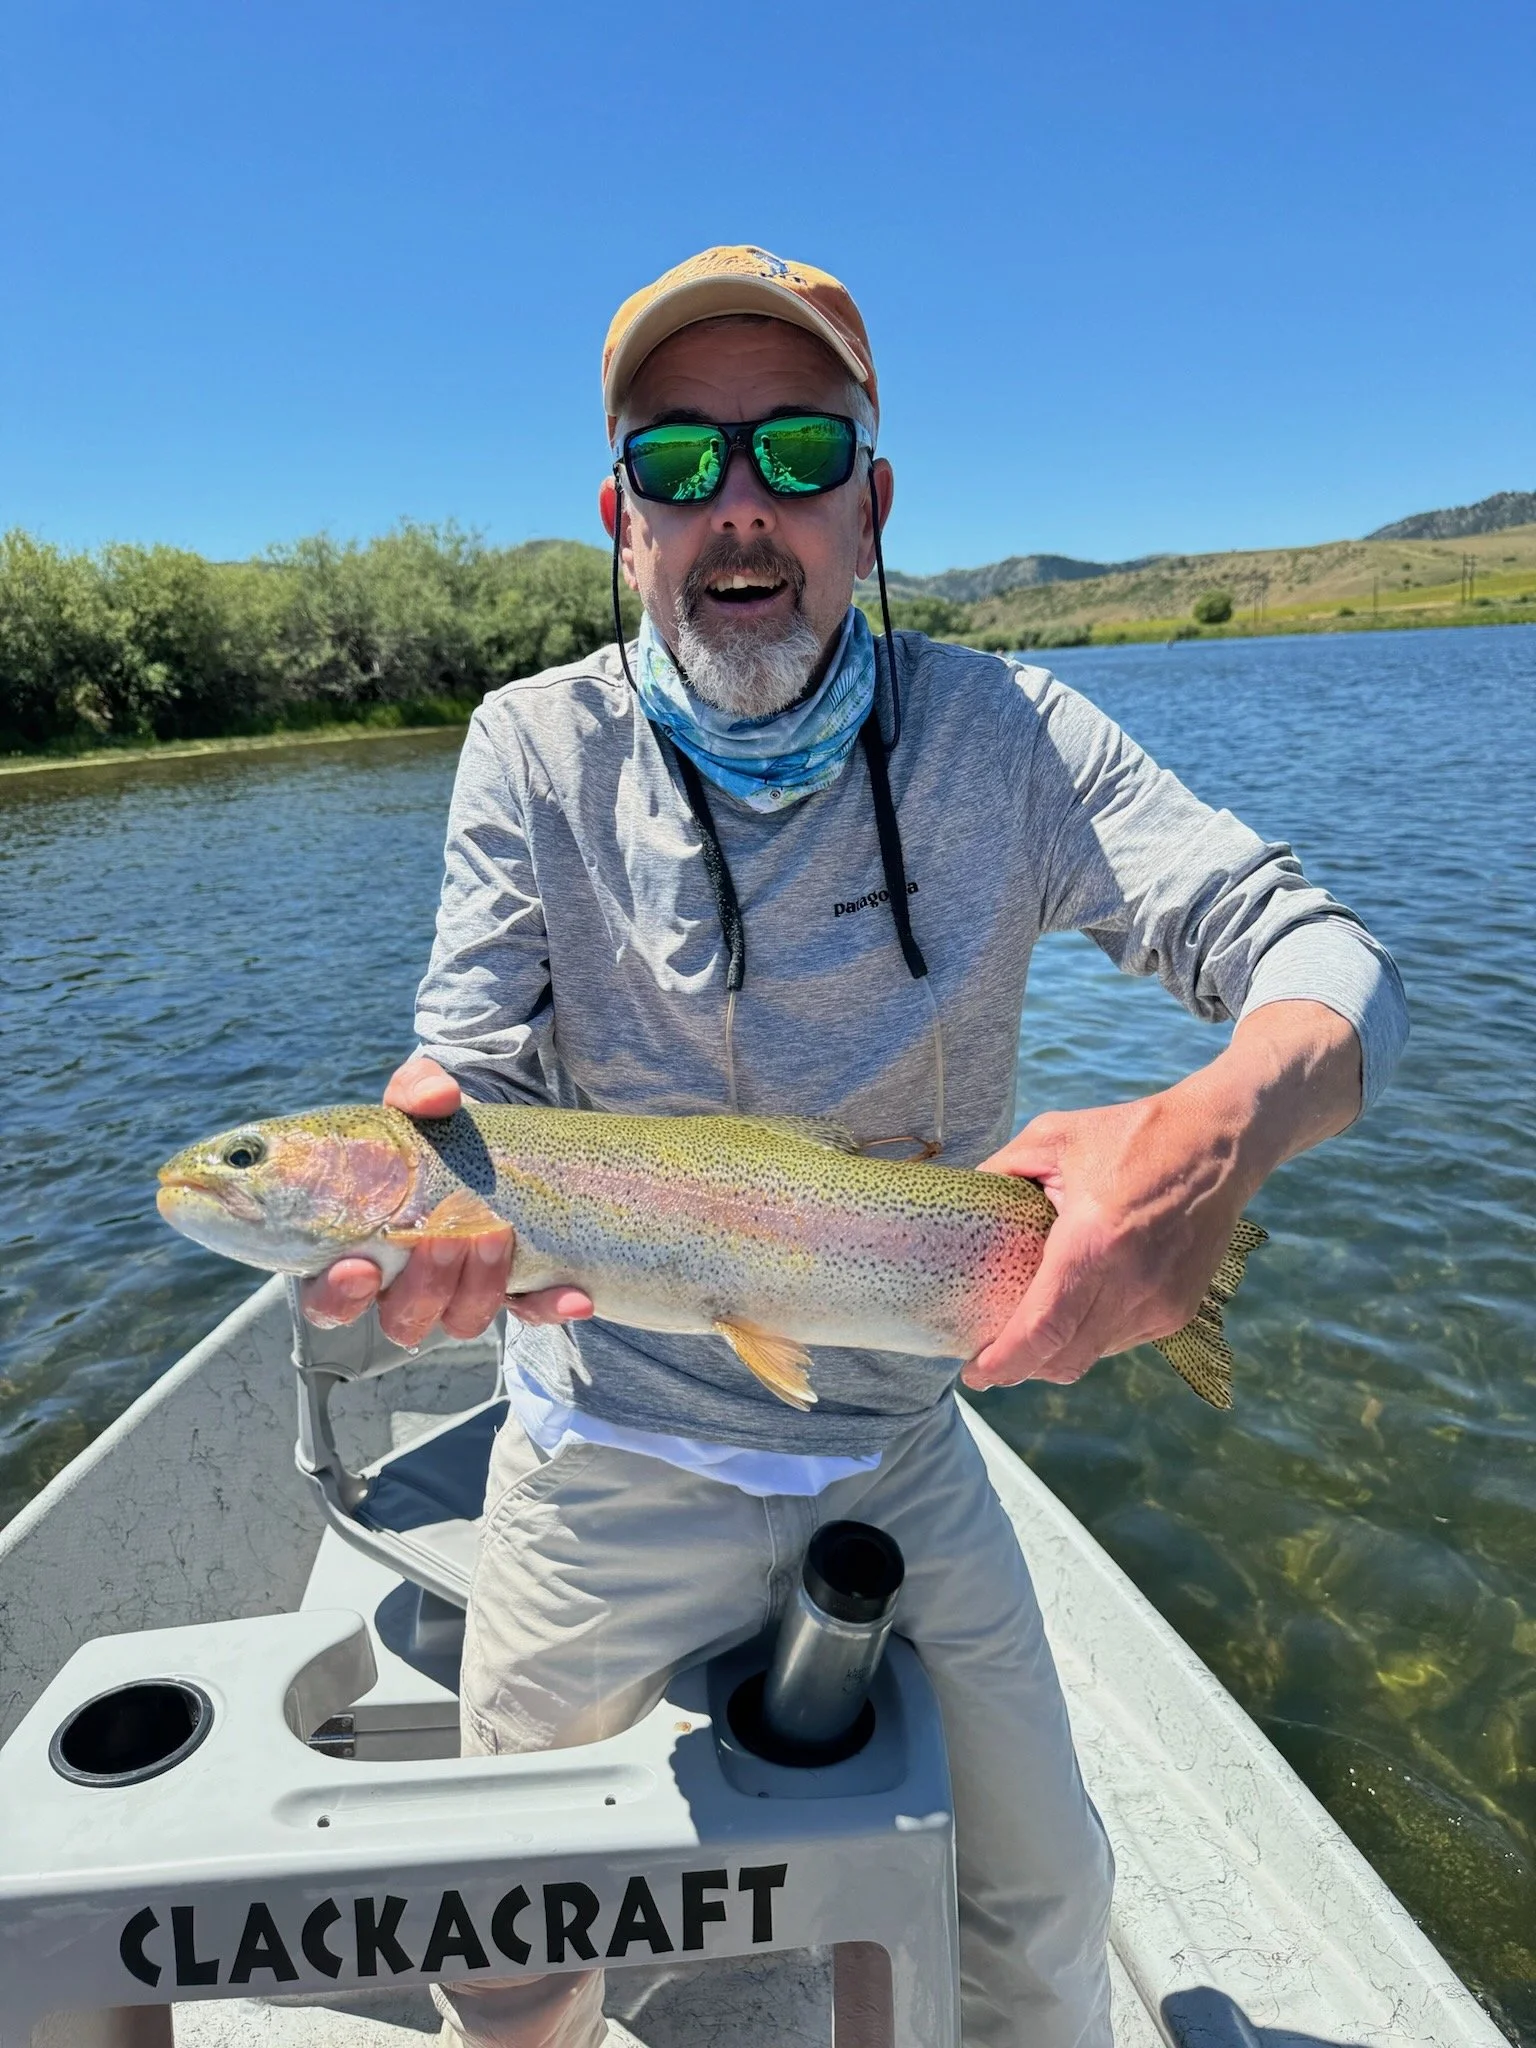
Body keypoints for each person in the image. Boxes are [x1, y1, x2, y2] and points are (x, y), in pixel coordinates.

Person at [303, 246, 1406, 2048]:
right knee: (500, 1949)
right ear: (621, 519)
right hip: (598, 1447)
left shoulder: (1013, 738)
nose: (741, 509)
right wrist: (407, 1183)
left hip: (896, 1445)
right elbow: (464, 1065)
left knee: (1047, 1921)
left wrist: (1215, 1135)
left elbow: (1329, 960)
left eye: (799, 455)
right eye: (679, 464)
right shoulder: (528, 747)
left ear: (873, 501)